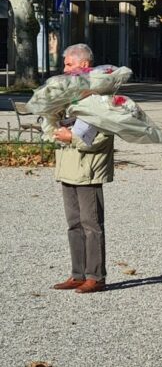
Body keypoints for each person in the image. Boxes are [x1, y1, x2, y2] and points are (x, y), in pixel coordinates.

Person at [51, 44, 114, 294]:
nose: (64, 69)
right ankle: (77, 273)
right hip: (68, 165)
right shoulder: (69, 93)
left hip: (88, 168)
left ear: (84, 66)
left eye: (68, 64)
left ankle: (96, 276)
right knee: (73, 223)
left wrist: (73, 139)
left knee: (91, 224)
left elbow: (104, 135)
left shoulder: (100, 95)